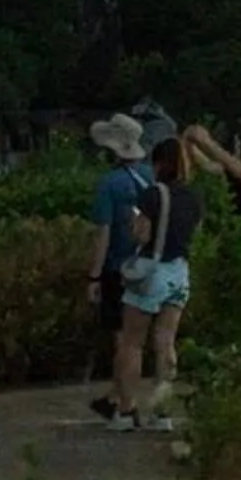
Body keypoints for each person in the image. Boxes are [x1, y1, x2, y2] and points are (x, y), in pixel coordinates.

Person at [109, 132, 205, 431]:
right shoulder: (194, 197)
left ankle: (126, 411)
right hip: (180, 272)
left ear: (160, 163)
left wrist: (133, 226)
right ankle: (162, 413)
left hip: (152, 271)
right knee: (166, 342)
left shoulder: (153, 194)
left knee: (132, 342)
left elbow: (142, 234)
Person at [84, 113, 156, 413]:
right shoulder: (151, 177)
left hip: (118, 267)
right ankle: (117, 395)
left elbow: (104, 232)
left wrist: (94, 275)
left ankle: (124, 400)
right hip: (149, 265)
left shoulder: (109, 184)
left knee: (121, 337)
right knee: (139, 337)